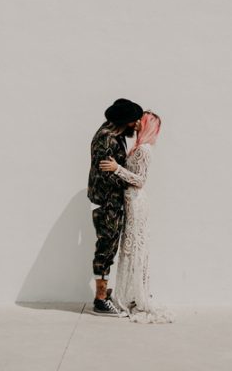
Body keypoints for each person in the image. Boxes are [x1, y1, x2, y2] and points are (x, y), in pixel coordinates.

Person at [99, 111, 175, 323]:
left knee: (134, 247)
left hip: (136, 201)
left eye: (142, 120)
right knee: (129, 246)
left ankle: (135, 295)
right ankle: (128, 293)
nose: (138, 122)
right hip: (130, 200)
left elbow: (140, 180)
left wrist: (117, 169)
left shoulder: (144, 150)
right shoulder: (138, 147)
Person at [88, 98, 143, 316]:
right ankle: (100, 300)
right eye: (134, 121)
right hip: (106, 202)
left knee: (110, 247)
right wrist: (130, 178)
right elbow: (107, 174)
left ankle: (103, 293)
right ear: (124, 121)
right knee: (106, 248)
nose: (136, 124)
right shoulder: (106, 139)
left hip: (113, 201)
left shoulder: (117, 136)